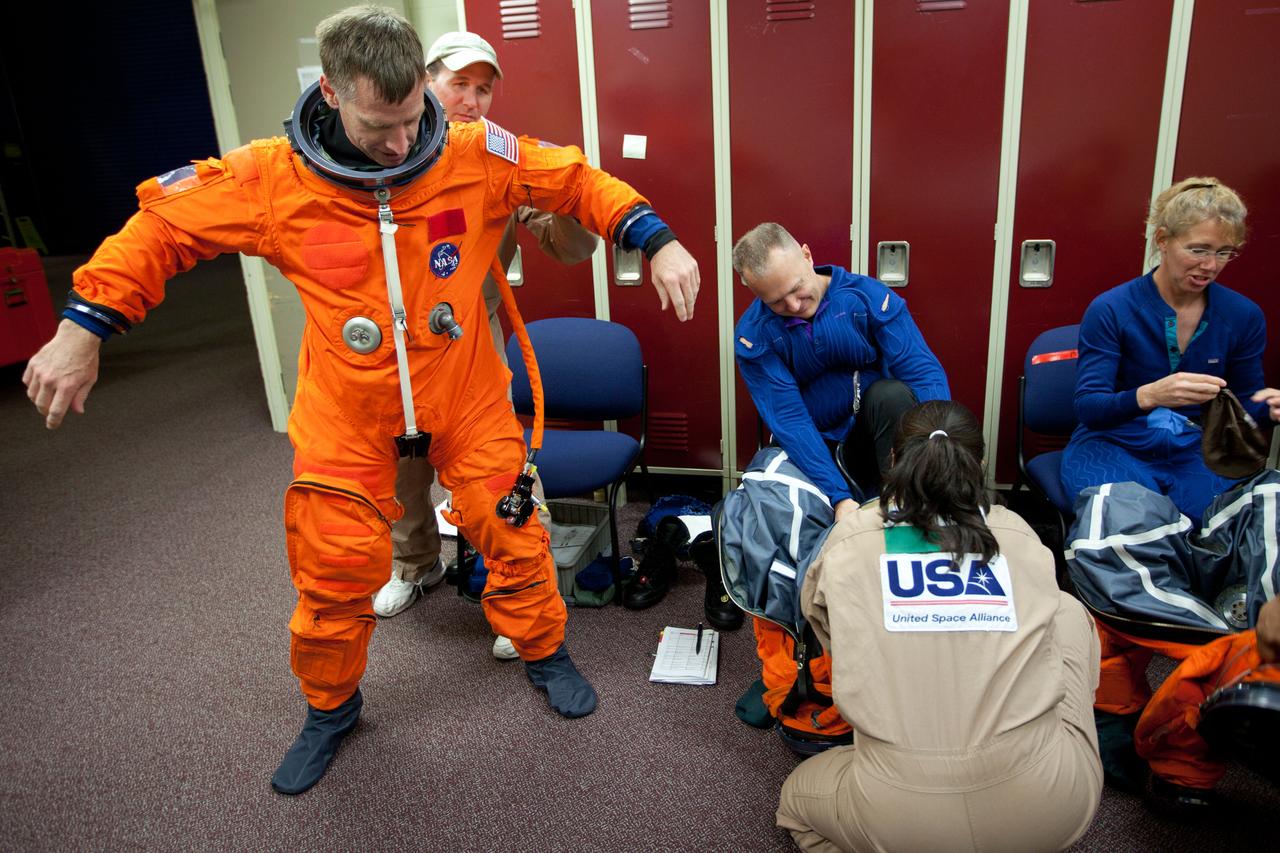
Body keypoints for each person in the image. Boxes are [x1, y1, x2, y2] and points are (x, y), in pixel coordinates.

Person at [22, 5, 699, 796]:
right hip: (348, 410)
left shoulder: (477, 153)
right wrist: (83, 325)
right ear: (331, 92)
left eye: (413, 119)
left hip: (466, 391)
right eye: (381, 126)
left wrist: (656, 239)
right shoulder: (273, 178)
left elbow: (577, 180)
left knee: (512, 526)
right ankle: (331, 707)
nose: (403, 144)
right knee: (334, 562)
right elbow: (162, 226)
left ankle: (544, 649)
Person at [776, 400, 1103, 852]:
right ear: (979, 465)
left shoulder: (852, 537)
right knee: (1066, 611)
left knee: (795, 804)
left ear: (893, 460)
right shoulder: (1016, 532)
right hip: (1051, 809)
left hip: (899, 818)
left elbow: (825, 629)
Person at [372, 32, 600, 671]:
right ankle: (416, 565)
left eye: (483, 89)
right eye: (459, 85)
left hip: (469, 345)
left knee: (496, 474)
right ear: (424, 83)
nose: (472, 100)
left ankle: (522, 597)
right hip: (394, 351)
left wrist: (566, 197)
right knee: (403, 469)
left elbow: (569, 246)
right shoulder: (383, 150)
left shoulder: (499, 158)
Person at [1062, 177, 1280, 527]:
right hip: (1113, 443)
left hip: (1199, 448)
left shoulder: (1242, 315)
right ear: (1162, 240)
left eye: (1224, 252)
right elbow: (1089, 408)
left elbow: (1243, 410)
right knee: (1133, 524)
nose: (1211, 265)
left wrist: (1268, 410)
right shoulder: (1112, 309)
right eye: (1198, 250)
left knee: (1237, 525)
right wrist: (1150, 395)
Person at [732, 222, 949, 520]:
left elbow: (921, 372)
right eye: (776, 302)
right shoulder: (753, 336)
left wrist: (941, 447)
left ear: (807, 255)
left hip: (873, 436)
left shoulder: (866, 296)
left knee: (892, 395)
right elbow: (789, 418)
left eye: (796, 289)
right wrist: (839, 497)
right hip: (809, 445)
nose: (793, 305)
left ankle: (906, 505)